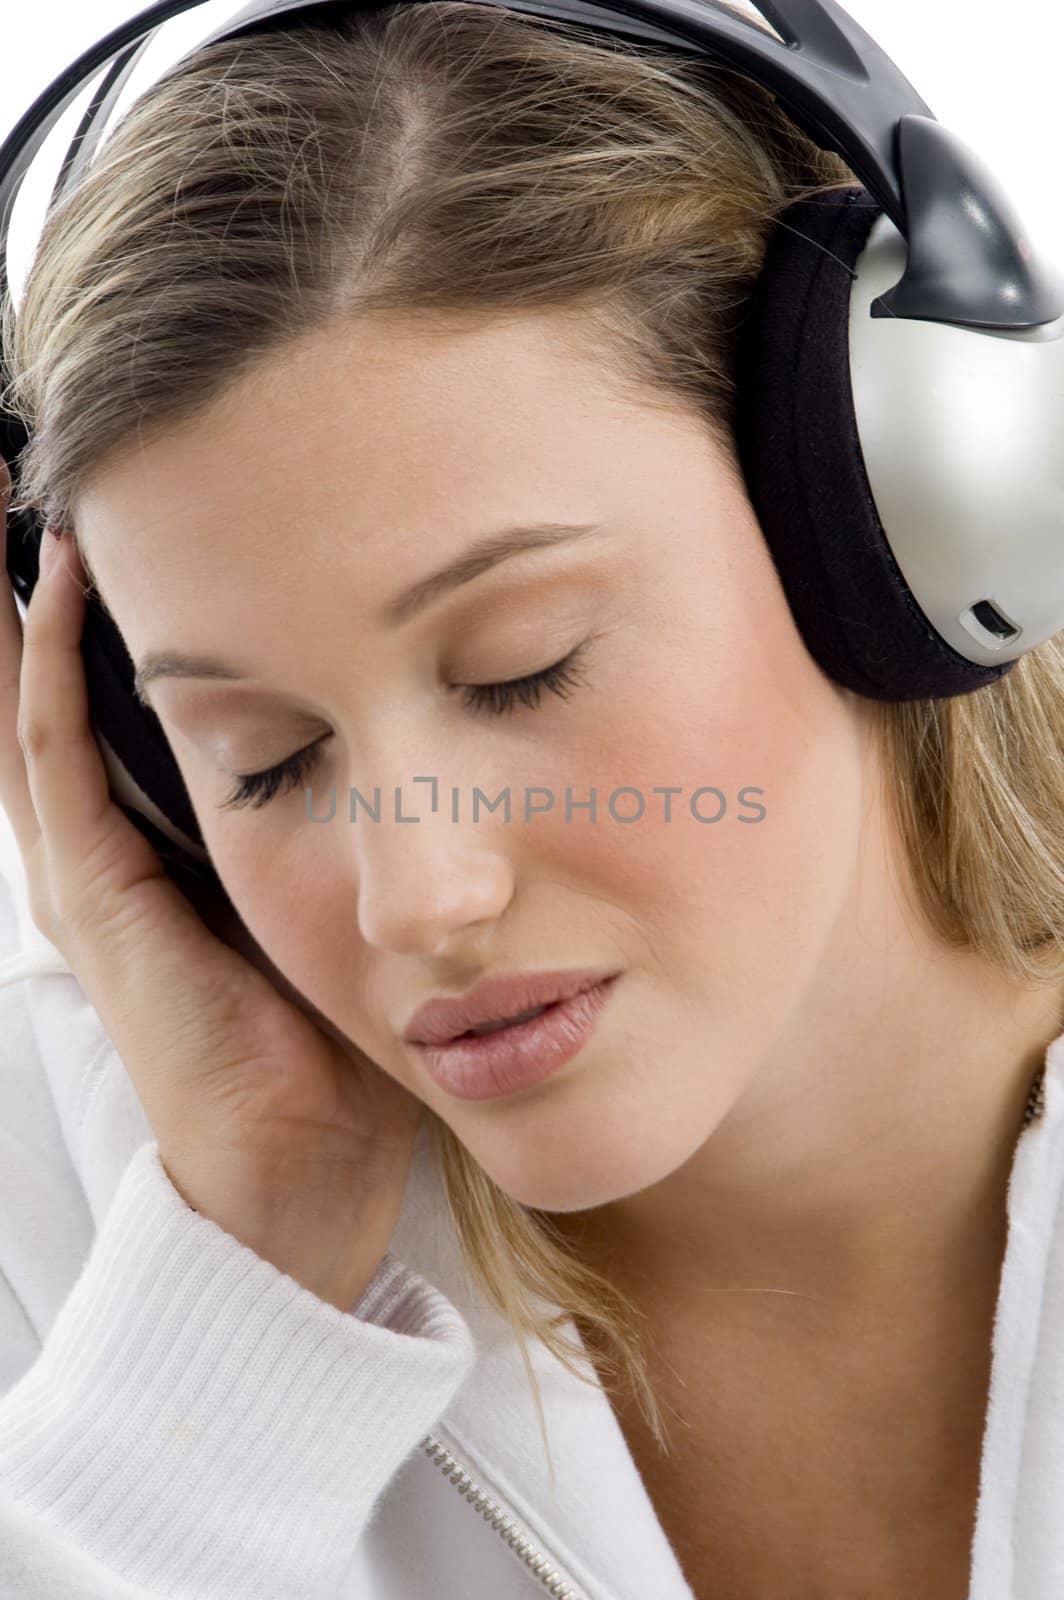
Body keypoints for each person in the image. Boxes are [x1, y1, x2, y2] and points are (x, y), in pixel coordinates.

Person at [0, 4, 1062, 1597]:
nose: (413, 898)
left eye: (524, 669)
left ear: (907, 509)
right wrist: (234, 1303)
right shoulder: (72, 1184)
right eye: (262, 761)